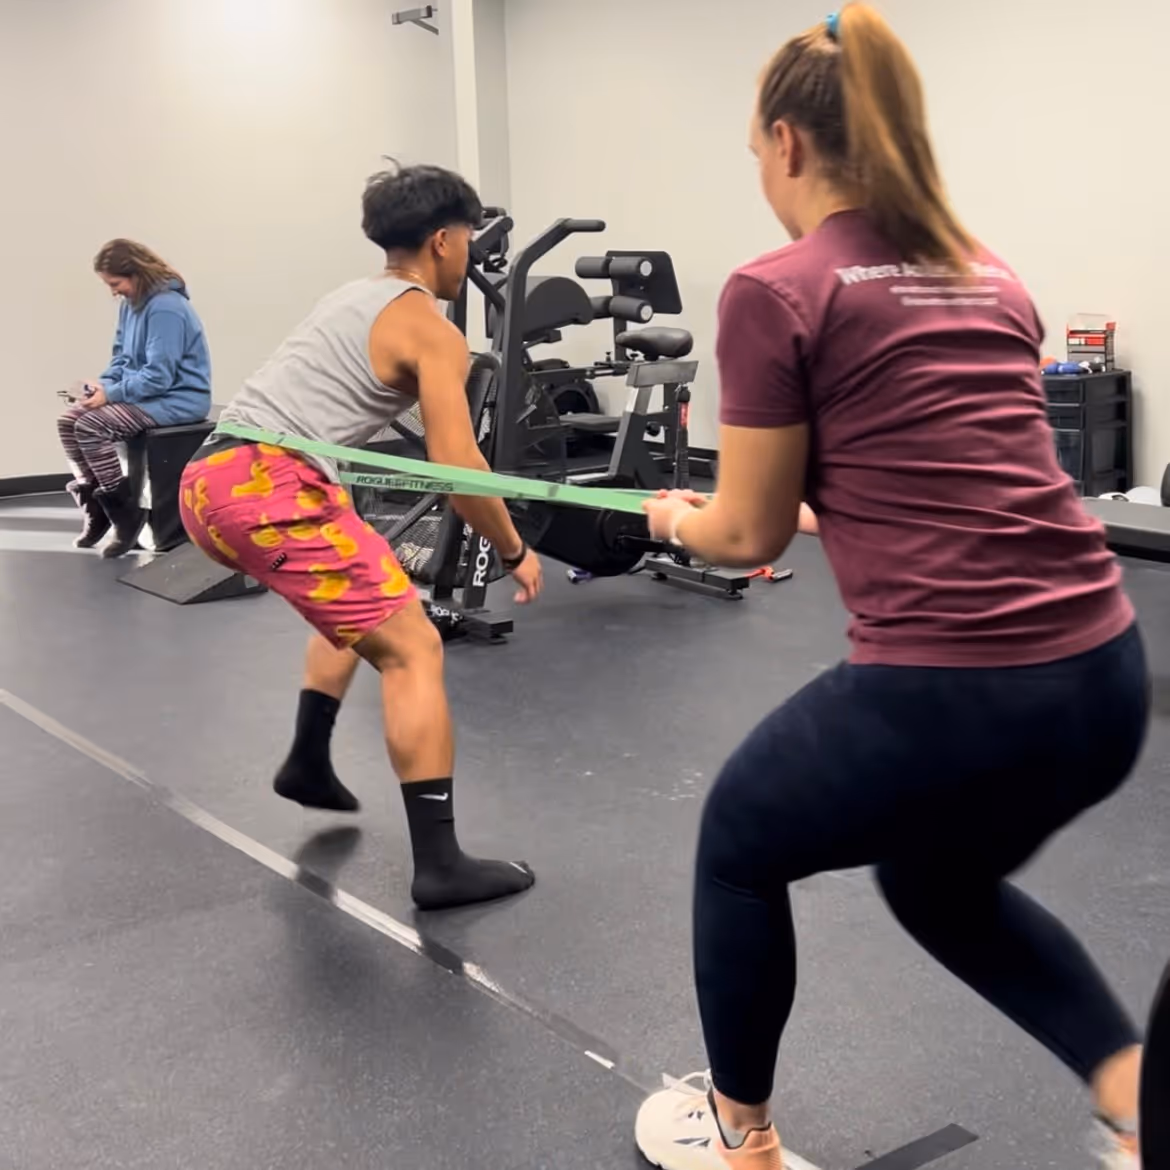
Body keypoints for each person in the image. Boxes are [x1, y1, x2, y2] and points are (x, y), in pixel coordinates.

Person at [635, 8, 1146, 1169]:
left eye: (753, 153)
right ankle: (1139, 1101)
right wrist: (816, 508)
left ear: (787, 144)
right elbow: (932, 469)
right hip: (1103, 673)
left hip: (954, 689)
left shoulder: (775, 288)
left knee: (738, 843)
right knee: (934, 877)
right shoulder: (987, 270)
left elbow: (745, 526)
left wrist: (681, 518)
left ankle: (737, 1134)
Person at [179, 165, 544, 912]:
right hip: (271, 487)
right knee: (415, 648)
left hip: (208, 481)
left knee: (370, 592)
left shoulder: (348, 299)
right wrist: (514, 549)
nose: (470, 252)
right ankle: (440, 865)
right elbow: (458, 469)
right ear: (444, 240)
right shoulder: (433, 331)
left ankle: (310, 759)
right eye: (468, 238)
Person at [60, 240, 211, 557]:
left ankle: (125, 516)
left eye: (116, 284)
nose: (114, 292)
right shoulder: (131, 306)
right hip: (148, 395)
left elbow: (159, 377)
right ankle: (99, 512)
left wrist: (111, 395)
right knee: (68, 421)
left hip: (177, 401)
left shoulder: (167, 308)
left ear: (136, 274)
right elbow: (121, 359)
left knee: (91, 427)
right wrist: (101, 387)